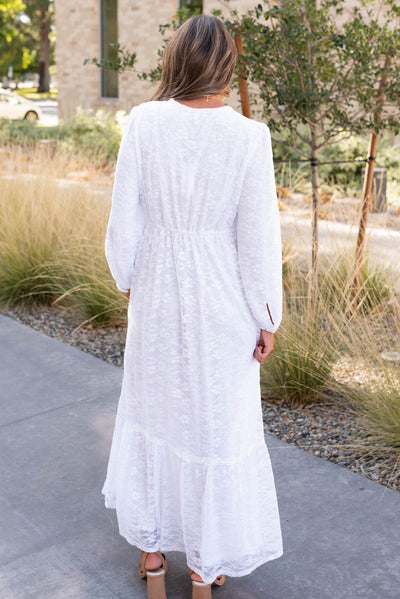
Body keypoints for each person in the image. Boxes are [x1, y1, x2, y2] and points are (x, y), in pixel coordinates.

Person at [101, 13, 283, 599]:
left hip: (157, 293)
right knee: (215, 426)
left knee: (154, 413)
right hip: (221, 302)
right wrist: (266, 316)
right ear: (227, 66)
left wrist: (131, 278)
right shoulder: (249, 136)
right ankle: (204, 571)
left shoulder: (145, 122)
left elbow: (123, 222)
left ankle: (153, 562)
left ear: (176, 60)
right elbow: (257, 240)